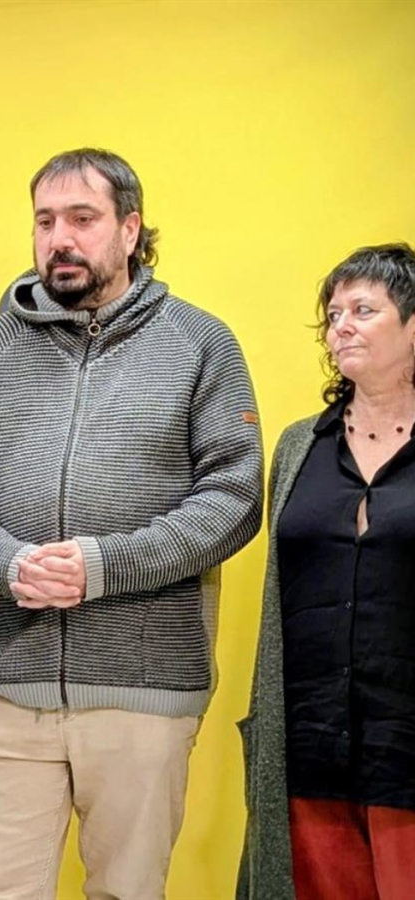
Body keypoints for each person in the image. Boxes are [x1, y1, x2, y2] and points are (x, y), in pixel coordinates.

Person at [0, 148, 263, 900]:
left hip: (141, 691)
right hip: (5, 686)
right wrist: (9, 563)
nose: (59, 239)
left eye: (82, 218)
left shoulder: (201, 344)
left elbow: (234, 497)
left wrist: (102, 566)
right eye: (45, 221)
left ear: (130, 230)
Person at [240, 244, 415, 900]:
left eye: (363, 310)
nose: (341, 326)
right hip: (309, 745)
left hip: (405, 743)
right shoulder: (298, 446)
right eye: (333, 314)